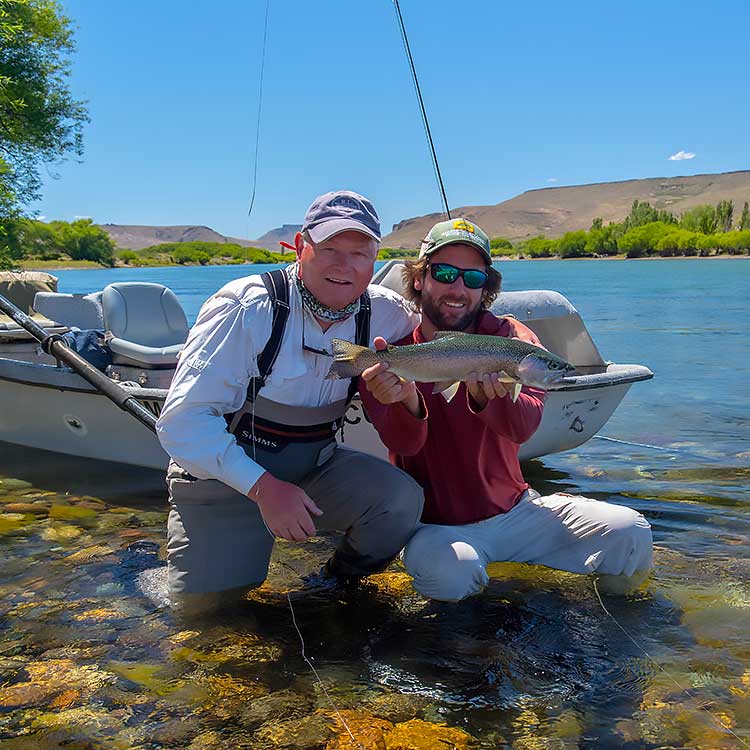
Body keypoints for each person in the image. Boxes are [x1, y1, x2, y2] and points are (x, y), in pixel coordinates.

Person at [156, 190, 424, 613]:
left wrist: (512, 341)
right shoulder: (246, 307)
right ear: (301, 247)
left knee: (400, 500)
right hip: (224, 478)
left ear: (376, 258)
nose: (344, 265)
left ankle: (332, 587)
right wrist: (265, 489)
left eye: (359, 252)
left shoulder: (389, 314)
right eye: (330, 248)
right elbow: (181, 423)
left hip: (313, 469)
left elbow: (449, 334)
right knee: (206, 613)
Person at [358, 218, 653, 602]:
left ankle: (612, 629)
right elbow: (405, 445)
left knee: (630, 532)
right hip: (436, 528)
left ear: (487, 288)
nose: (458, 288)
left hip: (518, 513)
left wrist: (489, 399)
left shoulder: (512, 339)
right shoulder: (394, 358)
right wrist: (406, 402)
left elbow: (524, 426)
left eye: (473, 279)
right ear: (418, 279)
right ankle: (463, 654)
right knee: (451, 573)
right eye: (444, 273)